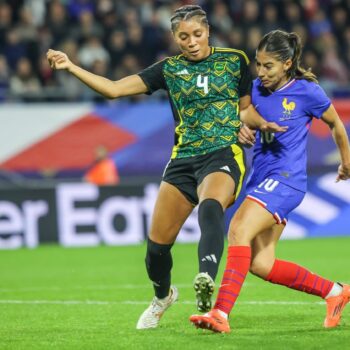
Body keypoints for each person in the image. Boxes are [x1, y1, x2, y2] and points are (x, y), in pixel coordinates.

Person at [46, 5, 286, 330]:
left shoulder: (235, 60)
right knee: (156, 251)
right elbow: (114, 89)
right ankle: (162, 296)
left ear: (208, 32)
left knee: (211, 207)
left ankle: (205, 279)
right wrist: (72, 66)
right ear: (174, 37)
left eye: (197, 34)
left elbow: (245, 110)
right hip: (182, 161)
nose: (191, 42)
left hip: (224, 153)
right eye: (183, 36)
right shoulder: (168, 70)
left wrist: (261, 123)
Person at [190, 29, 350, 333]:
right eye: (258, 65)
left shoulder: (307, 92)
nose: (260, 72)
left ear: (287, 63)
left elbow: (336, 125)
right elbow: (243, 117)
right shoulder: (255, 89)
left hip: (287, 179)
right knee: (261, 263)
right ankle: (335, 292)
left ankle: (220, 314)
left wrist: (346, 161)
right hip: (260, 180)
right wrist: (241, 127)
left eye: (268, 66)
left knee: (237, 228)